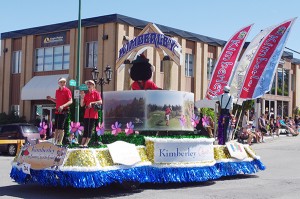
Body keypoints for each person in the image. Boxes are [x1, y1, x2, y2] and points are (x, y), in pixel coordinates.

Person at [47, 77, 72, 145]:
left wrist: (63, 106)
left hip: (64, 110)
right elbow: (57, 101)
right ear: (58, 83)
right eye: (61, 82)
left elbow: (70, 101)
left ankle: (60, 142)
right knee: (56, 127)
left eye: (64, 82)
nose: (62, 83)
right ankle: (55, 141)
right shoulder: (57, 91)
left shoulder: (67, 90)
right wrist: (51, 99)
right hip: (57, 111)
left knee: (61, 127)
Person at [80, 80, 102, 148]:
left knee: (90, 129)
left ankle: (86, 143)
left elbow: (100, 101)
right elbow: (82, 105)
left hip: (93, 114)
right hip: (87, 114)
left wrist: (92, 103)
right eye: (88, 84)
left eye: (90, 84)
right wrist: (82, 97)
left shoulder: (96, 93)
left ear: (93, 85)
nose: (89, 85)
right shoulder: (86, 95)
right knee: (86, 129)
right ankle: (82, 143)